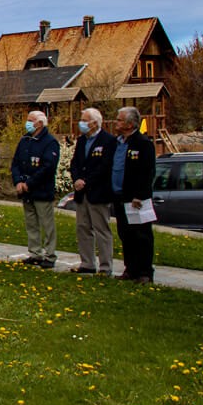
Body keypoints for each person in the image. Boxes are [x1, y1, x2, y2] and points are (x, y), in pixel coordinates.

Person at [69, 107, 118, 275]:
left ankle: (105, 266)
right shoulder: (82, 140)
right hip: (81, 193)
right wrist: (76, 179)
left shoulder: (109, 141)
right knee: (83, 228)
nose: (80, 123)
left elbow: (105, 167)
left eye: (84, 120)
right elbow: (75, 163)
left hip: (98, 192)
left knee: (101, 230)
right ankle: (87, 263)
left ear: (95, 123)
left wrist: (86, 181)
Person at [111, 106, 157, 283]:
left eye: (120, 120)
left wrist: (140, 194)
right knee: (126, 235)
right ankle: (130, 269)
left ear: (130, 124)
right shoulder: (118, 143)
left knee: (142, 236)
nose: (117, 122)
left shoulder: (143, 143)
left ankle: (145, 272)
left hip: (136, 199)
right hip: (119, 196)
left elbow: (147, 172)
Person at [11, 110, 61, 268]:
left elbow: (48, 167)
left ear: (40, 123)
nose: (27, 122)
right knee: (31, 223)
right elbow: (16, 163)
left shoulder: (49, 142)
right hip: (25, 191)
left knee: (47, 225)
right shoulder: (25, 140)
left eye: (30, 120)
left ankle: (49, 255)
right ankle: (35, 253)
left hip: (41, 190)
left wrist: (30, 183)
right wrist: (18, 181)